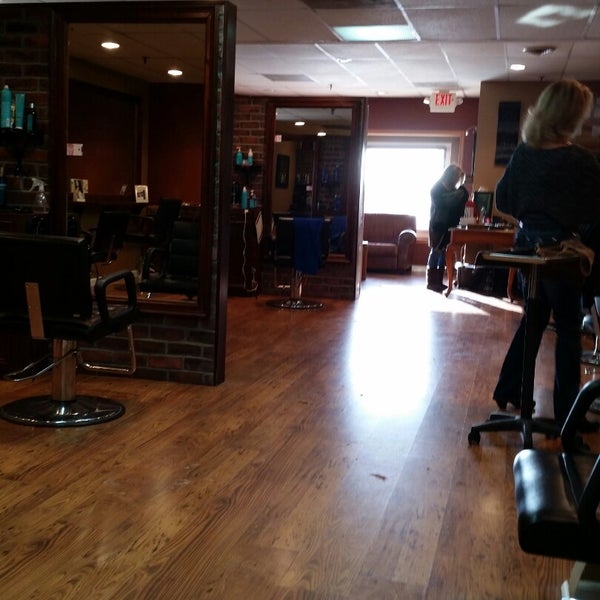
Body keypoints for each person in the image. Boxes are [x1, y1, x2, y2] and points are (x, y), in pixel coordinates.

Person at [492, 78, 600, 431]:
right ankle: (569, 416)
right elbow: (594, 213)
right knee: (568, 330)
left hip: (527, 250)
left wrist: (533, 216)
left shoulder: (524, 153)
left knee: (534, 320)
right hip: (562, 255)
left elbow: (502, 200)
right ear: (572, 115)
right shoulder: (580, 160)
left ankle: (509, 388)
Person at [427, 164, 469, 292]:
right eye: (456, 177)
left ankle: (438, 281)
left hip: (448, 226)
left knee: (444, 253)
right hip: (437, 225)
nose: (457, 181)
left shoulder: (453, 191)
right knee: (436, 251)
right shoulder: (436, 189)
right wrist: (460, 193)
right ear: (450, 176)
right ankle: (431, 282)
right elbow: (444, 203)